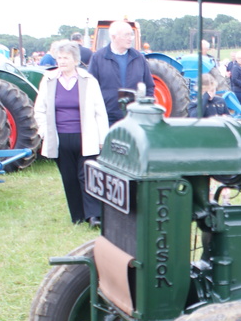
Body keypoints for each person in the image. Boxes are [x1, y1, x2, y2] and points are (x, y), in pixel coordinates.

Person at [33, 40, 109, 227]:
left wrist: (102, 139)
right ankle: (77, 216)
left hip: (86, 137)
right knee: (69, 177)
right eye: (59, 58)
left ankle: (93, 216)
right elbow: (39, 110)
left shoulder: (88, 80)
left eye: (65, 58)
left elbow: (100, 112)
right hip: (60, 138)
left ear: (75, 60)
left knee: (87, 176)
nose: (62, 61)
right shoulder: (49, 80)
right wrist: (44, 132)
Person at [88, 20, 155, 126]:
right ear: (113, 37)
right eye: (126, 35)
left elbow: (149, 86)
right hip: (107, 118)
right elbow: (90, 88)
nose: (130, 38)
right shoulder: (98, 58)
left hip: (135, 117)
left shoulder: (139, 58)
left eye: (131, 35)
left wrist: (144, 108)